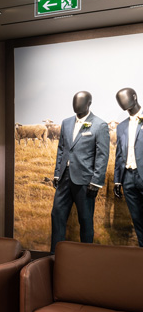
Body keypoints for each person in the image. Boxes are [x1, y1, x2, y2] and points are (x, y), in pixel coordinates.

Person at [50, 91, 109, 253]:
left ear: (89, 103)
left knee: (85, 219)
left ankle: (86, 257)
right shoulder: (66, 123)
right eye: (74, 101)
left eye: (81, 101)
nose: (76, 105)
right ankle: (55, 256)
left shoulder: (99, 125)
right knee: (57, 215)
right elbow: (61, 149)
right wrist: (57, 173)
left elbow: (102, 156)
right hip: (64, 178)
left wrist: (96, 181)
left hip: (85, 180)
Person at [113, 87, 143, 246]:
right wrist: (118, 180)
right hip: (128, 178)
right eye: (119, 100)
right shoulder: (121, 126)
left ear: (134, 96)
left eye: (124, 97)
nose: (122, 102)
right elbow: (119, 154)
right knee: (137, 219)